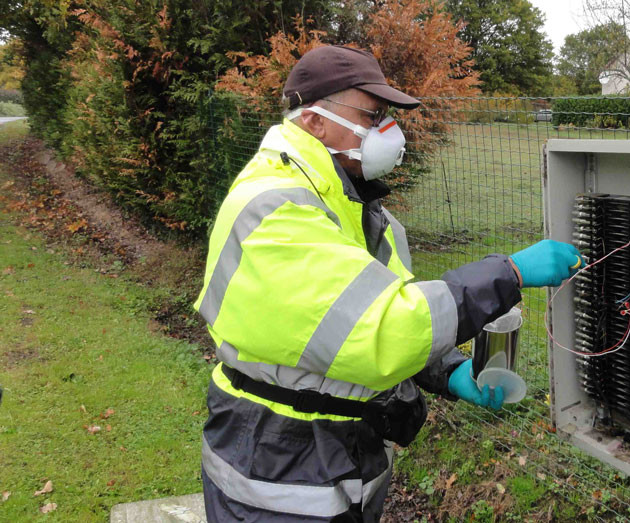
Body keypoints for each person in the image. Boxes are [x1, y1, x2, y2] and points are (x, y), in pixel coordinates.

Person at [195, 45, 582, 522]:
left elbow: (381, 307)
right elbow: (380, 330)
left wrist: (447, 369)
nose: (388, 131)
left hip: (340, 458)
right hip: (277, 471)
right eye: (372, 114)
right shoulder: (277, 207)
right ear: (314, 121)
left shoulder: (353, 206)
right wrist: (510, 273)